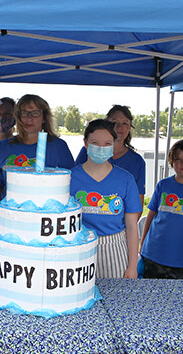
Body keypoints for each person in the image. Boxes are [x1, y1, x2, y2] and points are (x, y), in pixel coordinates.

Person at [70, 119, 141, 278]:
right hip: (79, 248)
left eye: (107, 143)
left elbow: (131, 226)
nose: (101, 148)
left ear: (114, 145)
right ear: (86, 144)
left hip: (114, 248)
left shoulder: (126, 179)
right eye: (95, 143)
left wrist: (132, 266)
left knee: (116, 299)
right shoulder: (70, 177)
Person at [139, 140, 183, 279]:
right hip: (152, 254)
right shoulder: (163, 185)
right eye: (178, 159)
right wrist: (142, 244)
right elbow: (151, 215)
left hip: (181, 259)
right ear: (171, 162)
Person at [0, 94, 75, 193]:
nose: (29, 118)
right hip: (10, 207)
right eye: (24, 113)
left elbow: (71, 181)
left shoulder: (58, 147)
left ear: (44, 118)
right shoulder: (3, 147)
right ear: (18, 117)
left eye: (35, 113)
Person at [75, 105, 145, 207]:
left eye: (124, 123)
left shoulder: (137, 161)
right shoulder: (87, 152)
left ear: (129, 127)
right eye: (114, 122)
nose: (119, 127)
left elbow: (138, 204)